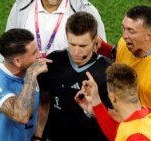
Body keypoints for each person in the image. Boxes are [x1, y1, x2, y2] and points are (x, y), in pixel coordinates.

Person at [37, 11, 112, 141]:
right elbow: (43, 103)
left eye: (83, 46)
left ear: (95, 41)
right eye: (72, 44)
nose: (76, 51)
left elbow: (117, 116)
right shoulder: (53, 62)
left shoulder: (108, 71)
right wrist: (38, 136)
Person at [0, 28, 52, 141]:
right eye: (34, 53)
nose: (39, 56)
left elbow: (44, 103)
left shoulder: (29, 71)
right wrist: (31, 75)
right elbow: (21, 116)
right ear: (17, 61)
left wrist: (38, 136)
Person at [74, 63, 151, 141]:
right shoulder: (149, 114)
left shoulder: (137, 136)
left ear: (113, 97)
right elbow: (117, 134)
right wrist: (96, 102)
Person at [0, 0, 107, 62]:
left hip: (68, 89)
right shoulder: (21, 6)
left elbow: (101, 55)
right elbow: (7, 48)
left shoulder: (85, 9)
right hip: (28, 86)